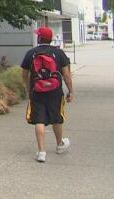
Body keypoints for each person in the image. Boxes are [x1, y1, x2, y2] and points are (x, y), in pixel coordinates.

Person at [21, 26, 74, 163]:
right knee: (56, 117)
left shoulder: (31, 53)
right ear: (50, 39)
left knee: (39, 120)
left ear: (39, 38)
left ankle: (42, 152)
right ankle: (60, 144)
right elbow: (66, 75)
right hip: (55, 92)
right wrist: (71, 91)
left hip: (36, 92)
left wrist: (29, 88)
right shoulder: (59, 53)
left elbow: (24, 74)